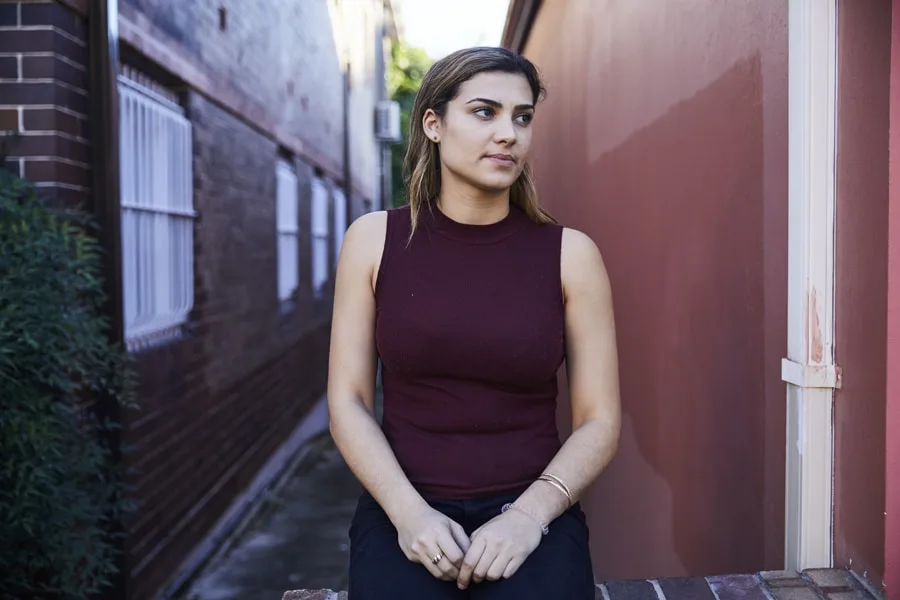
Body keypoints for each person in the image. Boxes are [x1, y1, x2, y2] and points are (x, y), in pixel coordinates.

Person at [327, 46, 622, 599]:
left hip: (535, 512)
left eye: (522, 116)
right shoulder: (374, 240)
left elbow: (599, 420)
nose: (508, 133)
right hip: (404, 511)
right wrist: (408, 514)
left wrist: (528, 518)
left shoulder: (570, 255)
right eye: (485, 112)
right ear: (433, 125)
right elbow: (348, 401)